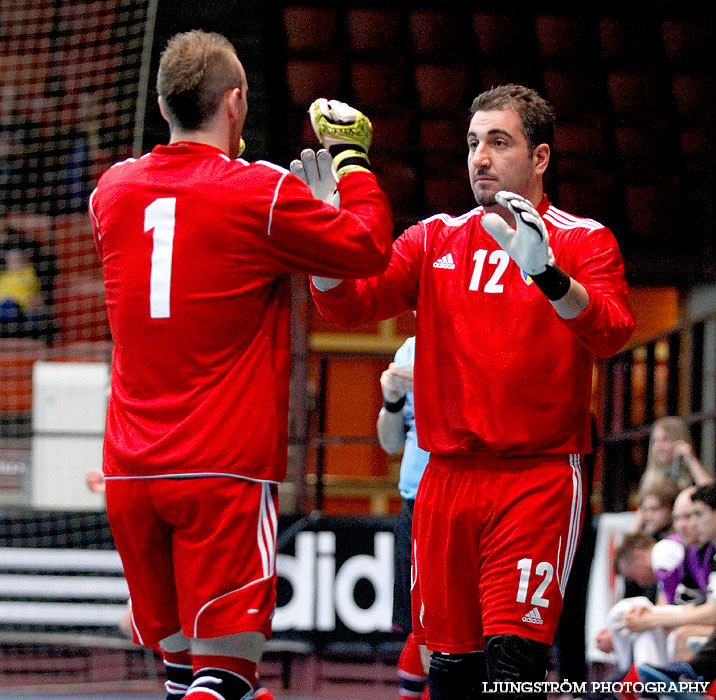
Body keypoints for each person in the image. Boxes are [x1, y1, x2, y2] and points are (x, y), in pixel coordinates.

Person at [88, 30, 392, 700]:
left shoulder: (110, 192)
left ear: (166, 106)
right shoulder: (260, 193)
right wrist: (350, 160)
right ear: (236, 103)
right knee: (225, 678)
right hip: (220, 471)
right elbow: (369, 248)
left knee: (179, 674)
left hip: (130, 472)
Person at [308, 83, 635, 699]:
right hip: (445, 482)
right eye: (473, 143)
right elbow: (350, 305)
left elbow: (613, 332)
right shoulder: (433, 238)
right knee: (451, 674)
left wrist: (547, 275)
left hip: (535, 479)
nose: (479, 157)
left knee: (514, 671)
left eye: (499, 142)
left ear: (540, 158)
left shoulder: (584, 239)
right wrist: (324, 243)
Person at [377, 335, 430, 700]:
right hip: (413, 500)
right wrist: (392, 401)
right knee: (418, 622)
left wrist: (430, 384)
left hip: (458, 497)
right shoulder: (408, 350)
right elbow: (391, 443)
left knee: (457, 624)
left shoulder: (477, 333)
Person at [637, 484, 716, 699]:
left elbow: (713, 612)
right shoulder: (698, 550)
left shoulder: (672, 549)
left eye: (695, 515)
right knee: (640, 616)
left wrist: (654, 619)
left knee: (679, 634)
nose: (688, 524)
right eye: (677, 518)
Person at [639, 417, 712, 493]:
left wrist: (690, 459)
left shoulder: (692, 475)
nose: (658, 447)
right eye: (655, 441)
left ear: (680, 440)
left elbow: (709, 492)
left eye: (665, 439)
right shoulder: (650, 477)